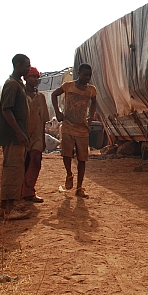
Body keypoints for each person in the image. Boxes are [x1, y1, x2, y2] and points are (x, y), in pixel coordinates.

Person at [0, 54, 32, 221]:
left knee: (13, 168)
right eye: (26, 66)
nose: (28, 69)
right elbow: (6, 110)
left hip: (15, 136)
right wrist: (19, 132)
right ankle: (10, 209)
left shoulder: (18, 85)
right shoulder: (12, 85)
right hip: (12, 136)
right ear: (17, 65)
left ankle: (5, 207)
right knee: (13, 170)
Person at [51, 63, 97, 198]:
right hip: (68, 126)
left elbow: (94, 102)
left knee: (82, 158)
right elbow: (54, 95)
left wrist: (91, 117)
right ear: (78, 74)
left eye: (90, 75)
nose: (88, 78)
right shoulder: (68, 86)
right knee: (67, 154)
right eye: (85, 75)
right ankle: (69, 174)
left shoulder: (91, 90)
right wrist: (58, 112)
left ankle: (79, 187)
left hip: (82, 128)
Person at [22, 67, 50, 203]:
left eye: (37, 77)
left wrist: (43, 139)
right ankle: (21, 191)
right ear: (25, 78)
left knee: (36, 161)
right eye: (32, 77)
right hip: (23, 134)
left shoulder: (40, 97)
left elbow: (44, 119)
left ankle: (29, 191)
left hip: (37, 135)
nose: (35, 80)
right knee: (23, 163)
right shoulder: (21, 96)